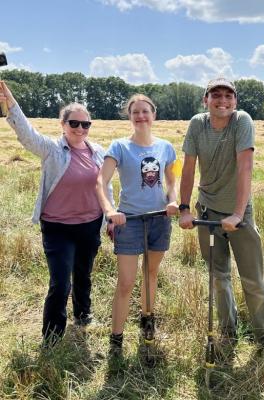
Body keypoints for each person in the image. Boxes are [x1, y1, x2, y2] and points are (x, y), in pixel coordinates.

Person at [0, 81, 110, 345]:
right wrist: (10, 103)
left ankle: (83, 313)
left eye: (86, 124)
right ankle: (52, 337)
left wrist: (109, 217)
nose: (80, 129)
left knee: (83, 273)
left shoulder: (98, 153)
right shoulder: (52, 150)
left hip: (90, 224)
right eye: (74, 123)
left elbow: (105, 187)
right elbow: (27, 134)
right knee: (60, 282)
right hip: (57, 227)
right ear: (63, 125)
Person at [179, 78, 264, 354]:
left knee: (252, 278)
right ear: (205, 100)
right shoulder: (197, 124)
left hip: (238, 213)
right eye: (216, 95)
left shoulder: (242, 121)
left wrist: (237, 213)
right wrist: (185, 207)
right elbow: (188, 168)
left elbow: (245, 168)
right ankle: (227, 331)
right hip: (207, 211)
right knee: (218, 276)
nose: (222, 100)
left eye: (228, 96)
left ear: (235, 101)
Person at [96, 94, 178, 353]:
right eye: (136, 112)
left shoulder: (166, 147)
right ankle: (116, 339)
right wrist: (110, 211)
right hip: (128, 221)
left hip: (158, 220)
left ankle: (147, 320)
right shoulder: (119, 146)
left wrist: (173, 201)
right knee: (126, 282)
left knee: (151, 274)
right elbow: (101, 181)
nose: (141, 116)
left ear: (154, 115)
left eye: (145, 111)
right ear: (129, 117)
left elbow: (173, 180)